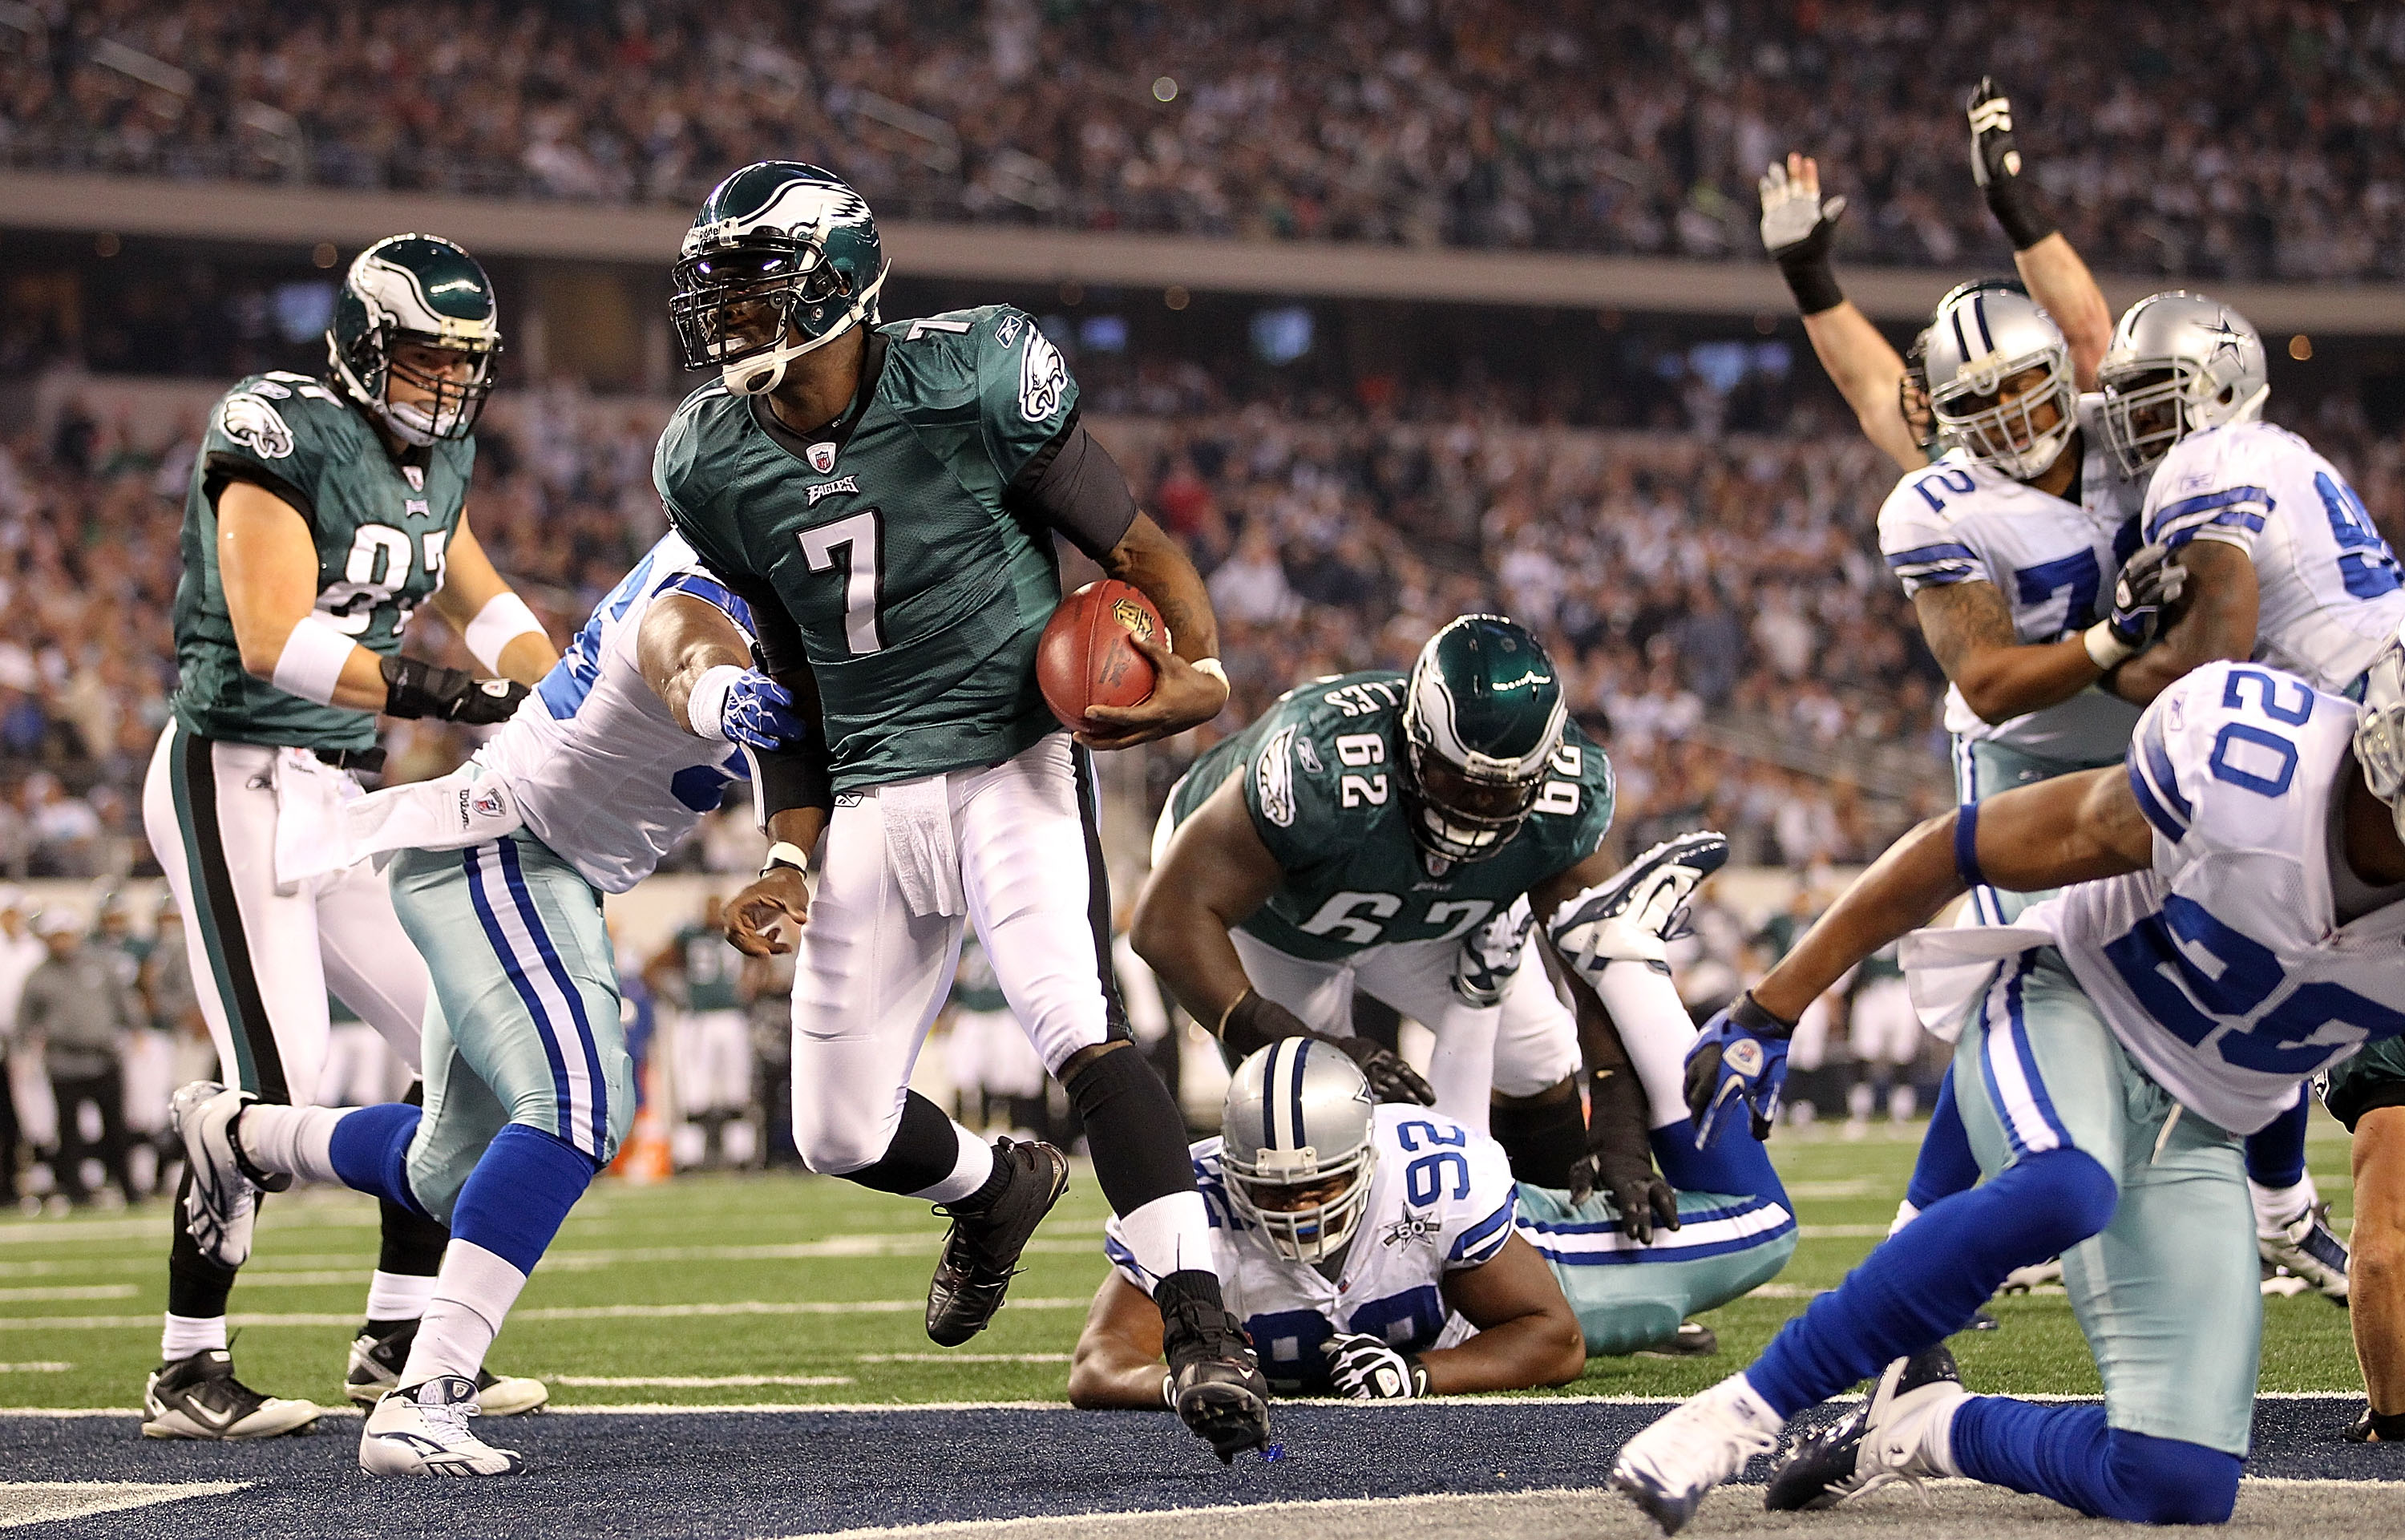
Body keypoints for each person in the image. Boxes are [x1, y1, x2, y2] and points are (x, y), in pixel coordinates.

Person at [654, 161, 1267, 1461]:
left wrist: (1199, 673)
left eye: (758, 292)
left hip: (1010, 756)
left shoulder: (974, 376)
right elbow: (794, 678)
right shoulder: (708, 457)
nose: (730, 322)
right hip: (871, 790)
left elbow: (1140, 551)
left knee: (1074, 1022)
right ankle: (997, 1190)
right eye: (720, 295)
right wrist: (784, 851)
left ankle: (1204, 1325)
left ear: (840, 289)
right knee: (830, 1128)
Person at [1608, 645, 2405, 1531]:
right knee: (2067, 1182)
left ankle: (1925, 1427)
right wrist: (1772, 1006)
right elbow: (1963, 846)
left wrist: (2279, 1187)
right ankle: (1740, 1413)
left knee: (2177, 1481)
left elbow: (2288, 1034)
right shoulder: (2254, 771)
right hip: (2074, 999)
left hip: (2198, 1125)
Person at [173, 526, 813, 1475]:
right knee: (582, 1103)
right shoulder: (711, 579)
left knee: (447, 1173)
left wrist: (788, 859)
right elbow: (686, 649)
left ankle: (244, 1137)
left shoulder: (800, 606)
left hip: (542, 867)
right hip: (505, 844)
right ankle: (425, 1393)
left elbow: (803, 759)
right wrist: (726, 694)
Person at [139, 232, 556, 1440]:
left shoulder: (444, 456)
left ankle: (397, 1337)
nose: (448, 383)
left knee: (466, 1041)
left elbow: (487, 604)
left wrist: (562, 690)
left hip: (336, 793)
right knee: (279, 1088)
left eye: (464, 361)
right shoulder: (279, 427)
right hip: (235, 772)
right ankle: (186, 1363)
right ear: (367, 345)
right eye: (427, 357)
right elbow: (273, 639)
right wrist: (449, 697)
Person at [1072, 846, 1796, 1401]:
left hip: (1547, 1258)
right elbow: (1099, 1362)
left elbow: (1555, 1337)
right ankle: (1479, 988)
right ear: (1231, 1172)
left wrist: (1422, 1375)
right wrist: (1180, 1380)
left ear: (1366, 1161)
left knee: (1764, 1225)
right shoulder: (1199, 1206)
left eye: (1316, 1185)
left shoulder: (1423, 1178)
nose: (1296, 1208)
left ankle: (1630, 961)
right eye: (1272, 1189)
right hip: (1448, 1237)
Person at [1134, 616, 1621, 1185]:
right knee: (1310, 1116)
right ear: (1414, 742)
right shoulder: (1320, 764)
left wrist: (1619, 1107)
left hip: (1427, 910)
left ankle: (1545, 1235)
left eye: (1504, 790)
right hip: (1277, 918)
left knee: (1539, 1054)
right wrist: (1303, 1040)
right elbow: (1165, 922)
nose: (1476, 810)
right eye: (1454, 780)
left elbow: (1600, 966)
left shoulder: (1569, 793)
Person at [20, 909, 140, 1206]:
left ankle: (128, 1188)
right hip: (64, 1062)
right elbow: (25, 1020)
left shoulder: (100, 965)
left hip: (104, 1057)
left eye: (66, 935)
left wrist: (136, 1029)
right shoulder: (39, 976)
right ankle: (76, 1191)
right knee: (68, 1130)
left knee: (116, 1126)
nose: (62, 942)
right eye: (56, 937)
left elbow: (123, 1002)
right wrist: (24, 1049)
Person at [644, 896, 753, 1167]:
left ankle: (742, 1155)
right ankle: (688, 1157)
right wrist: (676, 997)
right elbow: (652, 967)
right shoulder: (688, 936)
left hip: (732, 1016)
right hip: (700, 1020)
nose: (714, 912)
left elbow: (761, 963)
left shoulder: (739, 931)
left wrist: (751, 987)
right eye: (710, 906)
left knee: (737, 1089)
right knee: (696, 1090)